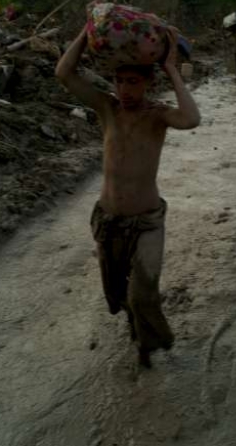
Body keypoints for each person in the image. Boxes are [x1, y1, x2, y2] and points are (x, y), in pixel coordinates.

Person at [55, 25, 201, 368]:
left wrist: (170, 69)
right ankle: (135, 328)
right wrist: (85, 29)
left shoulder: (157, 116)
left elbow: (192, 118)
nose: (125, 89)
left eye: (133, 82)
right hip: (108, 220)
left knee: (142, 293)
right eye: (120, 81)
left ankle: (149, 347)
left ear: (147, 83)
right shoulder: (107, 110)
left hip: (147, 221)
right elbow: (64, 72)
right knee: (119, 295)